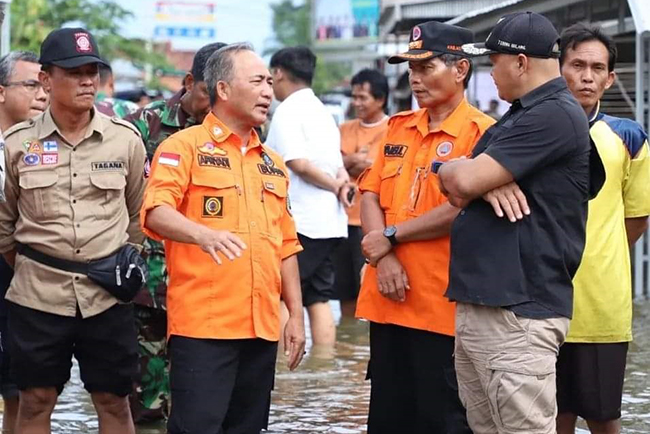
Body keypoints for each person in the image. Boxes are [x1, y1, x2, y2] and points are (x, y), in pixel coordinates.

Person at [440, 12, 604, 433]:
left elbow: (462, 181)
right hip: (489, 307)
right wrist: (479, 180)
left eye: (493, 61)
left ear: (520, 63)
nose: (489, 71)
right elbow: (451, 176)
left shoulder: (552, 115)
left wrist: (475, 179)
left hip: (518, 314)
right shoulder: (520, 114)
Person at [141, 42, 306, 434]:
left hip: (261, 327)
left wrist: (296, 316)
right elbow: (154, 211)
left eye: (270, 81)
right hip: (205, 328)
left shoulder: (273, 163)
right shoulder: (183, 147)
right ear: (224, 90)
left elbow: (286, 244)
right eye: (257, 81)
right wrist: (202, 234)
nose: (268, 90)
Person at [0, 27, 147, 434]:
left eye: (93, 71)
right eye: (75, 71)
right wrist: (38, 266)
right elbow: (4, 224)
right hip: (37, 296)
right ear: (46, 79)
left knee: (114, 402)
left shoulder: (125, 141)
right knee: (35, 401)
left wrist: (118, 263)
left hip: (107, 297)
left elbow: (138, 215)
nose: (87, 80)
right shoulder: (16, 145)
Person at [355, 21, 494, 434]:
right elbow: (369, 194)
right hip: (387, 298)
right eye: (411, 69)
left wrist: (392, 238)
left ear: (460, 69)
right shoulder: (398, 127)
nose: (415, 79)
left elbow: (463, 207)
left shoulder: (482, 134)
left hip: (443, 305)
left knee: (445, 417)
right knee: (387, 414)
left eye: (426, 67)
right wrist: (385, 257)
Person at [123, 41, 225, 423]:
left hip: (205, 280)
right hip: (148, 277)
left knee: (197, 395)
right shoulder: (143, 126)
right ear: (188, 83)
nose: (214, 103)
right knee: (144, 397)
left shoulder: (234, 133)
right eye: (206, 92)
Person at [556, 23, 650, 434]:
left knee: (603, 416)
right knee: (548, 416)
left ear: (611, 77)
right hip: (541, 299)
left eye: (597, 67)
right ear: (557, 68)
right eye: (577, 65)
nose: (587, 76)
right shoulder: (529, 130)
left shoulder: (629, 136)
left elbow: (636, 219)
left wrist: (597, 252)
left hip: (602, 302)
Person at [266, 46, 351, 346]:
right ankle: (323, 368)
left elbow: (297, 163)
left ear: (278, 73)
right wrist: (339, 184)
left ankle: (279, 374)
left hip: (301, 222)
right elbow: (339, 165)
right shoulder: (322, 112)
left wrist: (335, 186)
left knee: (279, 295)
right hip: (329, 222)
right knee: (318, 296)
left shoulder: (288, 111)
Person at [0, 50, 48, 434]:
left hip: (24, 271)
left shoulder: (44, 146)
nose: (42, 94)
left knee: (21, 383)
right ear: (1, 92)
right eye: (31, 84)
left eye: (45, 85)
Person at [332, 68, 389, 318]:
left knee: (368, 287)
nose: (357, 103)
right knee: (343, 290)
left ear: (380, 99)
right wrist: (356, 161)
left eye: (363, 97)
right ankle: (347, 345)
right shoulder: (343, 128)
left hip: (371, 223)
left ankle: (361, 346)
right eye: (354, 97)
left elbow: (380, 169)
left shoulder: (394, 128)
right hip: (340, 220)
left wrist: (352, 162)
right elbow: (333, 164)